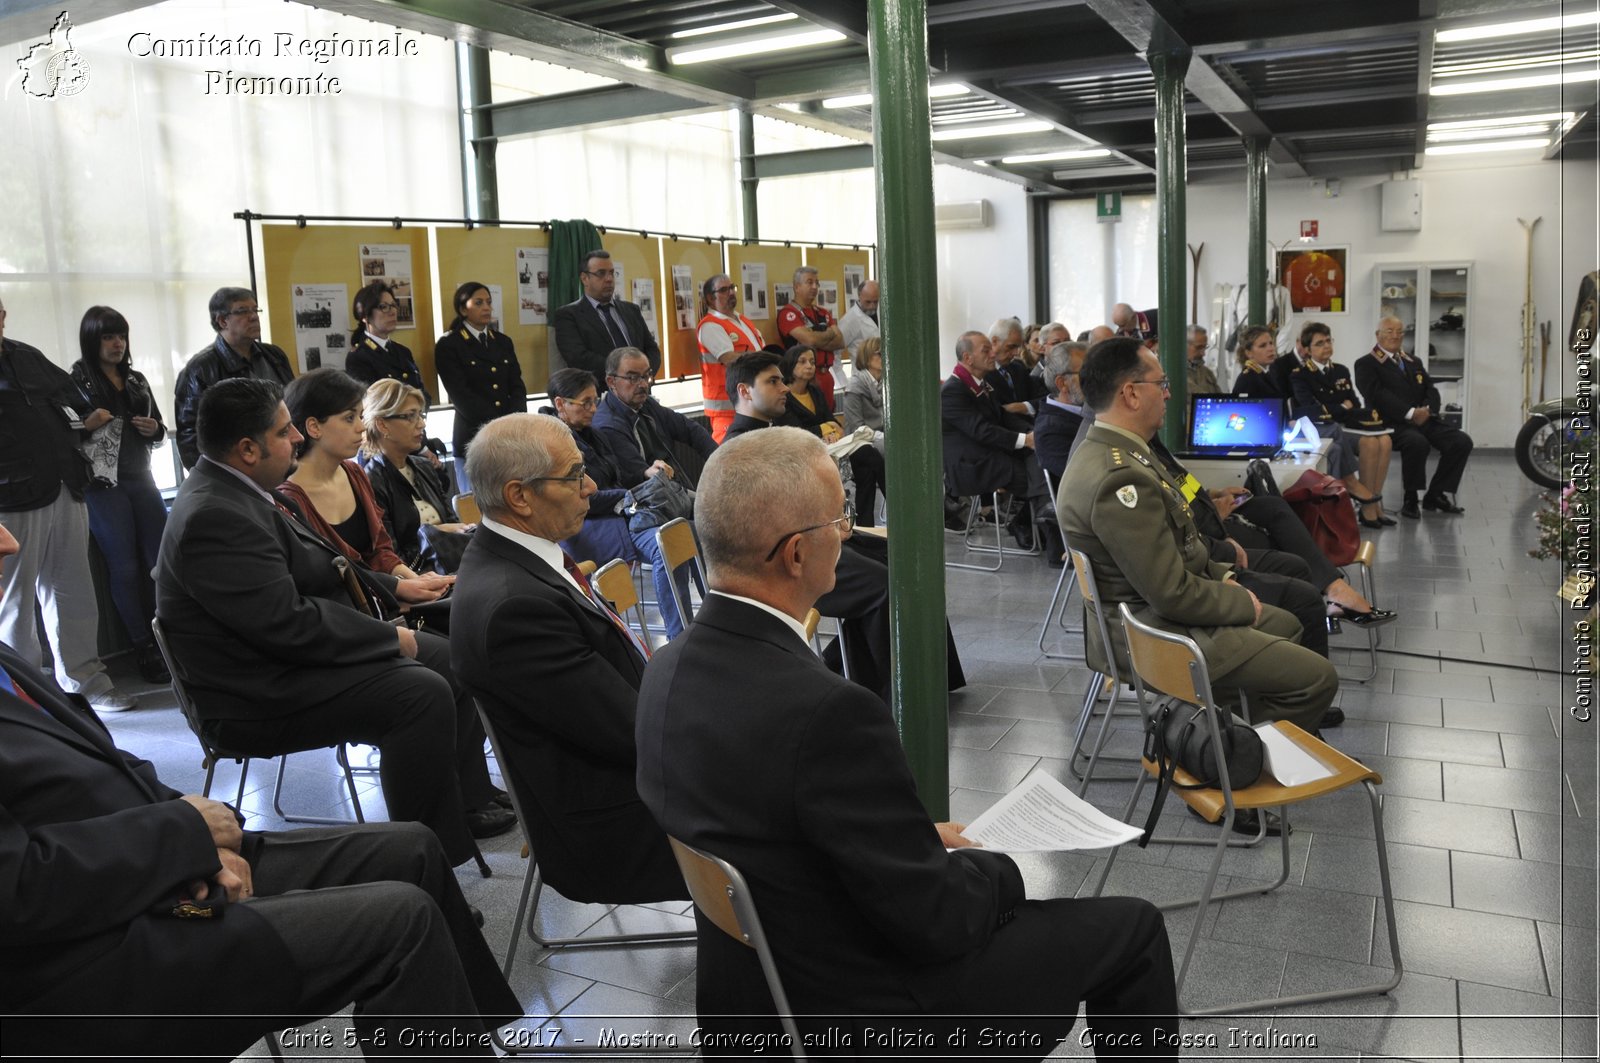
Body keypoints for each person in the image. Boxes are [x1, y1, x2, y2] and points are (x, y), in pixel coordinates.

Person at [635, 427, 1178, 1055]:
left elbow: (783, 824)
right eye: (838, 518)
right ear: (793, 555)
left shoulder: (664, 670)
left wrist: (914, 843)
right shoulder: (828, 711)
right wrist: (997, 867)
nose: (846, 533)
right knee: (1133, 926)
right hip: (867, 1008)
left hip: (751, 992)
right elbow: (937, 922)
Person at [2, 515, 519, 1060]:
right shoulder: (211, 514)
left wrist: (201, 836)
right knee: (402, 920)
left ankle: (471, 1042)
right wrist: (184, 838)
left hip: (141, 871)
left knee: (412, 846)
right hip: (88, 956)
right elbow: (16, 889)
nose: (12, 542)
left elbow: (111, 764)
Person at [155, 378, 499, 866]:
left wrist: (396, 587)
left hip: (282, 662)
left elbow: (326, 565)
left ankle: (459, 814)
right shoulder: (214, 514)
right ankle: (425, 858)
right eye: (283, 431)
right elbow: (287, 623)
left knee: (447, 659)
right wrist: (388, 636)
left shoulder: (240, 489)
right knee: (419, 692)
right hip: (253, 694)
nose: (297, 437)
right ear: (248, 448)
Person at [451, 414, 689, 905]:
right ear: (520, 496)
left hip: (631, 780)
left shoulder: (519, 558)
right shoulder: (514, 607)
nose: (591, 486)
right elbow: (628, 731)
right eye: (573, 475)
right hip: (616, 828)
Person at [1058, 338, 1339, 737]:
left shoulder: (1124, 453)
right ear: (1131, 394)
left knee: (1289, 624)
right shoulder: (1119, 477)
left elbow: (1181, 547)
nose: (1170, 393)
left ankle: (1232, 746)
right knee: (1318, 678)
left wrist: (1223, 576)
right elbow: (1168, 592)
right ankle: (1231, 771)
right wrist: (1238, 600)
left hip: (1162, 616)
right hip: (1155, 636)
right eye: (1162, 383)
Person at [725, 352, 966, 697]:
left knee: (906, 559)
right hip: (785, 559)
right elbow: (766, 522)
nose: (784, 389)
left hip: (812, 536)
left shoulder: (771, 434)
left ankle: (931, 676)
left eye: (781, 379)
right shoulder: (740, 448)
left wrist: (830, 520)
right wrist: (824, 525)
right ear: (745, 392)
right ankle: (899, 694)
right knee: (883, 586)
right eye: (773, 382)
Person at [0, 295, 135, 712]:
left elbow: (75, 405)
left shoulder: (27, 356)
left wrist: (84, 423)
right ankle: (24, 701)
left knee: (74, 591)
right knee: (16, 603)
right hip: (11, 499)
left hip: (65, 486)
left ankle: (85, 682)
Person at [544, 368, 693, 638]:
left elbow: (621, 476)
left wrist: (645, 478)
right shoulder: (553, 444)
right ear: (560, 404)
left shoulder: (595, 434)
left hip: (620, 513)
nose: (592, 409)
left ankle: (692, 624)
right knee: (665, 544)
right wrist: (630, 495)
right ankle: (679, 635)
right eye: (585, 403)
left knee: (680, 526)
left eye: (595, 401)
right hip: (588, 525)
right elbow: (583, 496)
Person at [70, 305, 170, 684]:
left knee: (161, 562)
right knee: (125, 567)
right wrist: (85, 424)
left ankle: (170, 639)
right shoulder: (75, 381)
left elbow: (161, 432)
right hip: (101, 485)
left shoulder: (138, 380)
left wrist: (155, 429)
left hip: (141, 477)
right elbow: (63, 433)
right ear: (92, 341)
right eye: (108, 337)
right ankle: (142, 645)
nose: (117, 344)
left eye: (121, 336)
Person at [1354, 316, 1474, 519]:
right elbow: (1377, 395)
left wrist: (1428, 410)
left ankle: (1435, 494)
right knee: (1417, 443)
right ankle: (1410, 497)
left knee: (1461, 441)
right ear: (1378, 335)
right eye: (1389, 331)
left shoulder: (1412, 361)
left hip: (1423, 419)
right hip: (1390, 424)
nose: (1395, 336)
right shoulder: (1366, 364)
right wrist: (1410, 413)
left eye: (1399, 332)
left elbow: (1431, 388)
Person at [941, 330, 1052, 549]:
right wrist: (1025, 440)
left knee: (1044, 460)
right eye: (986, 350)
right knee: (1033, 477)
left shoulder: (981, 383)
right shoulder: (953, 391)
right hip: (971, 463)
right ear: (967, 358)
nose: (993, 353)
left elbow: (1003, 417)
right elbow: (981, 430)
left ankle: (1035, 526)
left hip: (989, 452)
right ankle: (1039, 527)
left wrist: (1033, 434)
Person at [174, 286, 294, 469]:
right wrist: (210, 479)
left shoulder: (274, 356)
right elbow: (190, 436)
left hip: (279, 463)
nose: (253, 316)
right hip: (234, 470)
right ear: (222, 321)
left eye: (255, 310)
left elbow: (292, 405)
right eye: (243, 311)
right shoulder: (200, 369)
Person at [1289, 321, 1395, 527]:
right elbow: (1311, 409)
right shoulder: (1300, 375)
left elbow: (1354, 403)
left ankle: (1373, 502)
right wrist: (1341, 407)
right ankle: (1364, 501)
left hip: (1346, 426)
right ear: (1307, 349)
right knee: (1369, 443)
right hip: (1324, 430)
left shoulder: (1341, 370)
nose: (1326, 346)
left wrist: (1338, 407)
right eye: (1319, 343)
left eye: (1328, 341)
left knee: (1385, 440)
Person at [359, 379, 471, 572]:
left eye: (421, 414)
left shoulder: (424, 466)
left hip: (451, 566)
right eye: (410, 416)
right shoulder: (370, 481)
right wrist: (433, 534)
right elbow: (390, 558)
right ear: (382, 425)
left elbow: (453, 524)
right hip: (419, 578)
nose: (422, 424)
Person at [779, 343, 885, 527]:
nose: (810, 366)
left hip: (832, 446)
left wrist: (830, 429)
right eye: (802, 362)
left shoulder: (815, 392)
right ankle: (885, 511)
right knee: (868, 459)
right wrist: (824, 429)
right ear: (790, 365)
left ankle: (864, 525)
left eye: (812, 361)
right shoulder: (784, 398)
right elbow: (795, 432)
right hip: (805, 453)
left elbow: (833, 422)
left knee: (868, 459)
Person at [591, 346, 717, 487]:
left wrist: (720, 459)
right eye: (633, 378)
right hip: (650, 498)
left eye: (646, 376)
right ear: (611, 382)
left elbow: (690, 430)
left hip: (675, 488)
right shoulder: (609, 425)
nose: (643, 384)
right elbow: (639, 475)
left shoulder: (645, 403)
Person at [434, 281, 526, 460]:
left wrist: (516, 421)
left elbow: (517, 385)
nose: (486, 307)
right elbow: (461, 395)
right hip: (473, 437)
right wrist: (498, 426)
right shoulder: (450, 345)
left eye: (489, 302)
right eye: (478, 303)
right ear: (463, 309)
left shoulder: (502, 341)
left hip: (509, 436)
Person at [552, 249, 662, 387]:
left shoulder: (631, 310)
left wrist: (643, 376)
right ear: (585, 278)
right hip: (600, 396)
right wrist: (626, 376)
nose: (609, 279)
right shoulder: (568, 315)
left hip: (641, 392)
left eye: (611, 273)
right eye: (601, 273)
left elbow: (652, 349)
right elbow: (579, 358)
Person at [694, 272, 763, 442]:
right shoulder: (710, 325)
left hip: (749, 403)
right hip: (726, 409)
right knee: (728, 459)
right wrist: (763, 359)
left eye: (732, 287)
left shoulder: (743, 320)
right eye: (724, 290)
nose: (731, 292)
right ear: (710, 298)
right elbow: (729, 357)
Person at [343, 280, 432, 403]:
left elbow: (423, 394)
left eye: (394, 305)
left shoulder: (403, 352)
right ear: (365, 316)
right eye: (383, 307)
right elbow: (373, 404)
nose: (392, 312)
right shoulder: (358, 357)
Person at [775, 266, 845, 405]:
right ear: (797, 287)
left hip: (827, 376)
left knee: (828, 418)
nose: (814, 287)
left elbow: (840, 341)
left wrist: (816, 339)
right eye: (809, 282)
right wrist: (829, 334)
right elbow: (810, 340)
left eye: (816, 283)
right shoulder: (788, 313)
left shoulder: (823, 312)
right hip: (803, 379)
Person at [1032, 340, 1089, 482]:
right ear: (1062, 383)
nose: (1096, 379)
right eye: (1086, 372)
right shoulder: (1049, 430)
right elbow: (1083, 477)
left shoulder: (1090, 408)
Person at [986, 316, 1046, 414]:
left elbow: (1045, 398)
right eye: (1011, 346)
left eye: (1018, 347)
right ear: (994, 341)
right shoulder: (980, 374)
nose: (1016, 352)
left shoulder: (1018, 369)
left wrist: (1024, 407)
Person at [838, 336, 883, 437]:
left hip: (882, 436)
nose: (885, 357)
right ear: (867, 357)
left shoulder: (886, 382)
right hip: (861, 441)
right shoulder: (854, 387)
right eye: (880, 353)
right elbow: (857, 428)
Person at [837, 279, 879, 367]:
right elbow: (835, 354)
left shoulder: (882, 313)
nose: (872, 306)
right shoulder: (849, 320)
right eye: (868, 302)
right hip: (863, 375)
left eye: (875, 302)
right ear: (859, 296)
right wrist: (842, 379)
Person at [1231, 325, 1281, 399]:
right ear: (1249, 353)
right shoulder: (1248, 380)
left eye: (1271, 343)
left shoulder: (1265, 374)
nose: (1270, 348)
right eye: (1263, 346)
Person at [1185, 325, 1221, 396]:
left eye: (1204, 347)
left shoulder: (1207, 373)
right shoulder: (1172, 374)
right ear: (1184, 345)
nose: (1203, 353)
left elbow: (1220, 399)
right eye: (1199, 347)